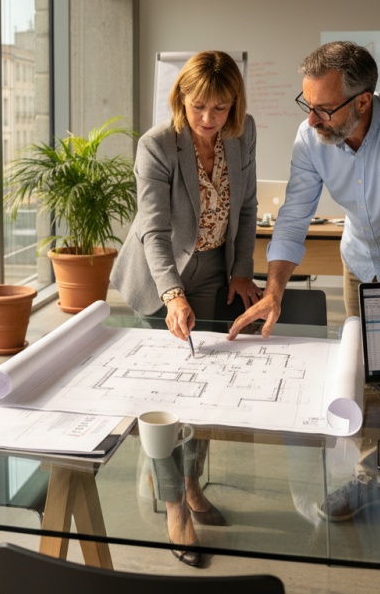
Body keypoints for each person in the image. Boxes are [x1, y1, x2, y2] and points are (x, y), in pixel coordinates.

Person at [228, 40, 380, 556]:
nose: (312, 120)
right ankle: (374, 472)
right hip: (360, 262)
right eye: (307, 106)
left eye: (324, 108)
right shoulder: (312, 139)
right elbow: (293, 216)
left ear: (364, 101)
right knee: (363, 379)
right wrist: (276, 290)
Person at [111, 50, 261, 567]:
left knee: (207, 392)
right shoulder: (156, 145)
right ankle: (175, 509)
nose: (208, 119)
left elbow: (245, 206)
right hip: (162, 278)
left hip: (216, 271)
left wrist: (241, 269)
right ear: (181, 98)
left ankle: (192, 484)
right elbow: (153, 230)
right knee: (164, 401)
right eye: (199, 106)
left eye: (220, 108)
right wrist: (172, 295)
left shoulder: (244, 134)